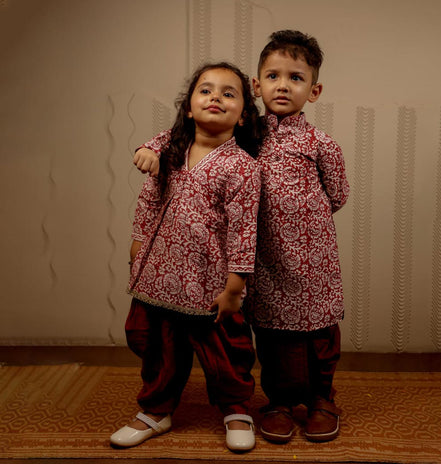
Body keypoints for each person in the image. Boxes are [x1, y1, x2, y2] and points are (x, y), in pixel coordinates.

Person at [110, 62, 263, 452]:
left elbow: (245, 229)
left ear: (243, 115)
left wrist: (235, 287)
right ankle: (156, 411)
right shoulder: (171, 153)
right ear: (190, 108)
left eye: (229, 93)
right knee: (160, 348)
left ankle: (235, 409)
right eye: (206, 90)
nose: (216, 97)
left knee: (225, 349)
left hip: (211, 280)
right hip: (160, 274)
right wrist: (137, 242)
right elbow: (148, 201)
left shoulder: (242, 168)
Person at [244, 30, 350, 444]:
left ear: (314, 89)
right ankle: (280, 402)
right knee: (273, 332)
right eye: (272, 76)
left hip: (315, 256)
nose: (283, 85)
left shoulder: (322, 144)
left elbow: (337, 195)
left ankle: (322, 399)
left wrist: (302, 222)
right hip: (265, 258)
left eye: (295, 77)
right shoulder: (247, 139)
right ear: (256, 85)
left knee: (320, 329)